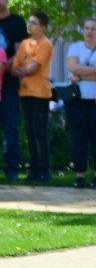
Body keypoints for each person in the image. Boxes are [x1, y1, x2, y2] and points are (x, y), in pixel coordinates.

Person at [66, 17, 96, 188]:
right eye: (86, 28)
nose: (89, 31)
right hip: (77, 100)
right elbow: (73, 66)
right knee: (78, 138)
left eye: (93, 28)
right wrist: (93, 71)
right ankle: (80, 175)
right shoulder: (74, 47)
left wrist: (79, 75)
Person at [11, 11, 53, 182]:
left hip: (41, 94)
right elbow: (14, 68)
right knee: (29, 132)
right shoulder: (24, 44)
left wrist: (25, 69)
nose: (29, 25)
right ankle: (34, 170)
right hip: (25, 92)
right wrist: (25, 69)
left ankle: (44, 171)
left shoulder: (46, 44)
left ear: (43, 27)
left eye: (34, 23)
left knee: (40, 132)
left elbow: (32, 68)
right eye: (29, 22)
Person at [0, 0, 28, 181]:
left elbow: (19, 53)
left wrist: (2, 69)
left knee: (10, 125)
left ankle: (11, 168)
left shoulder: (17, 22)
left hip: (9, 82)